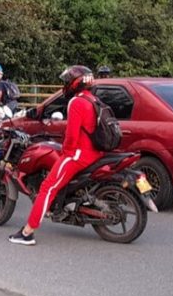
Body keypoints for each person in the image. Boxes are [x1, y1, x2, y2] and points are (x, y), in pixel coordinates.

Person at [10, 65, 103, 246]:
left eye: (67, 81)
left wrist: (64, 153)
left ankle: (28, 232)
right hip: (93, 153)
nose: (65, 84)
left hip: (77, 154)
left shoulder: (76, 102)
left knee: (47, 187)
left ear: (76, 83)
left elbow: (72, 136)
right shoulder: (93, 99)